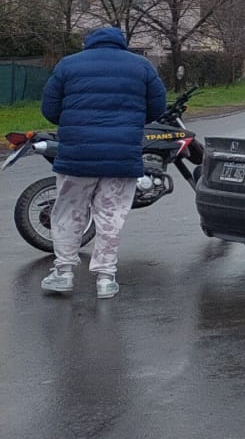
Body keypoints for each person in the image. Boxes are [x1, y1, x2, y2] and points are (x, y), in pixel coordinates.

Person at [38, 27, 167, 299]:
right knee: (111, 216)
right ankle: (106, 278)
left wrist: (74, 122)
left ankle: (63, 272)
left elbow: (49, 109)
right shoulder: (141, 66)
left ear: (89, 43)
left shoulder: (69, 64)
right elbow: (157, 108)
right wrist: (129, 121)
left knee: (68, 212)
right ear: (122, 43)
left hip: (76, 156)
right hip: (122, 156)